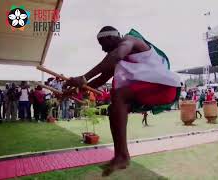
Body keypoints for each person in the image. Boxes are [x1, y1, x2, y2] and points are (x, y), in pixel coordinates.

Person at [63, 26, 180, 174]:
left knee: (119, 95)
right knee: (114, 108)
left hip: (163, 87)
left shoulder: (129, 41)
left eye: (102, 45)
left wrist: (84, 77)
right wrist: (71, 92)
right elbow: (101, 79)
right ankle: (120, 156)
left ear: (111, 38)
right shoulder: (117, 57)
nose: (102, 49)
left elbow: (116, 55)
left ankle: (123, 156)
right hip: (151, 89)